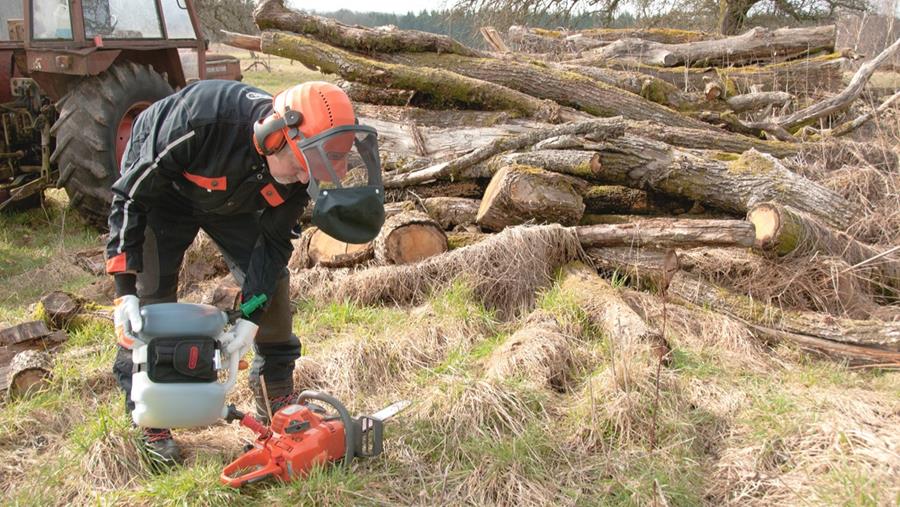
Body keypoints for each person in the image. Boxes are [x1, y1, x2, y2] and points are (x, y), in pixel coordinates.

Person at [106, 79, 385, 463]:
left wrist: (251, 318)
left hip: (236, 198)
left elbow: (271, 246)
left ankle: (276, 394)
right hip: (162, 193)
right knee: (149, 296)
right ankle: (149, 414)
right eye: (301, 169)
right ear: (274, 139)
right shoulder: (201, 120)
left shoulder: (300, 171)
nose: (305, 180)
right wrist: (125, 290)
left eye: (314, 173)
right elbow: (130, 196)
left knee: (274, 284)